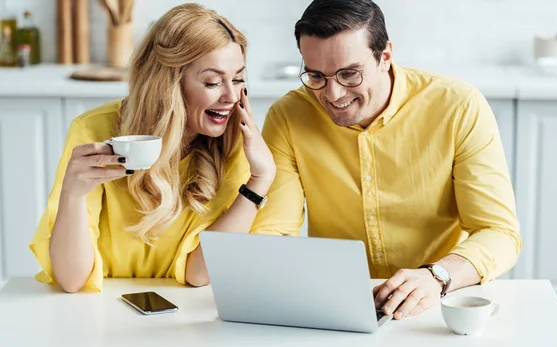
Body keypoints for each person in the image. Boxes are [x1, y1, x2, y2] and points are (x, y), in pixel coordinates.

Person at [251, 0, 521, 320]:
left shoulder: (458, 107)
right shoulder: (289, 116)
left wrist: (437, 276)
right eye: (316, 76)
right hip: (339, 307)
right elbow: (275, 232)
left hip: (440, 301)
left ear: (385, 56)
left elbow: (498, 232)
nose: (333, 94)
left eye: (349, 74)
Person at [29, 3, 275, 293]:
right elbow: (72, 280)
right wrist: (72, 194)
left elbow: (199, 273)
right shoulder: (93, 131)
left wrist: (259, 181)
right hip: (99, 312)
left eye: (238, 79)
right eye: (212, 81)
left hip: (182, 317)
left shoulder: (235, 145)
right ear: (168, 83)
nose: (232, 96)